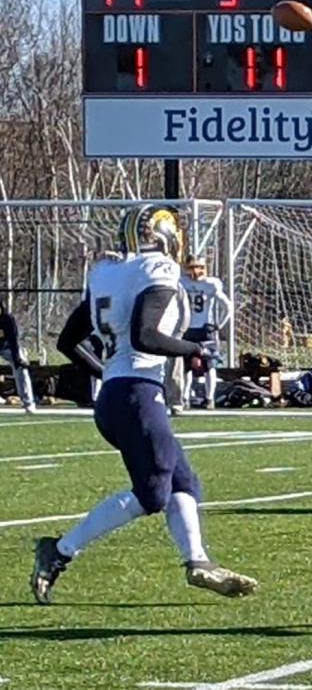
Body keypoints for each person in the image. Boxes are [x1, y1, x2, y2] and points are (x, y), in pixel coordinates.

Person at [31, 204, 258, 604]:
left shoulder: (110, 274)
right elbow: (145, 336)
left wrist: (108, 375)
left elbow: (68, 342)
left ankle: (198, 561)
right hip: (138, 395)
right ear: (167, 236)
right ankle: (60, 550)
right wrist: (194, 349)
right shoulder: (158, 271)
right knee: (153, 492)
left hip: (120, 394)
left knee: (182, 482)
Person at [180, 254, 232, 410]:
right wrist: (219, 324)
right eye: (192, 267)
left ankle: (207, 398)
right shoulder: (182, 283)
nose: (195, 271)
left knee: (209, 364)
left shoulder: (210, 284)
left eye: (199, 267)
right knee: (186, 366)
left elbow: (227, 306)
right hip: (190, 328)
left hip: (201, 329)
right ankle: (186, 397)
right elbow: (228, 307)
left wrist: (218, 324)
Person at [0, 304, 36, 414]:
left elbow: (13, 341)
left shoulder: (8, 319)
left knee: (21, 369)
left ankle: (28, 402)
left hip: (8, 348)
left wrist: (17, 359)